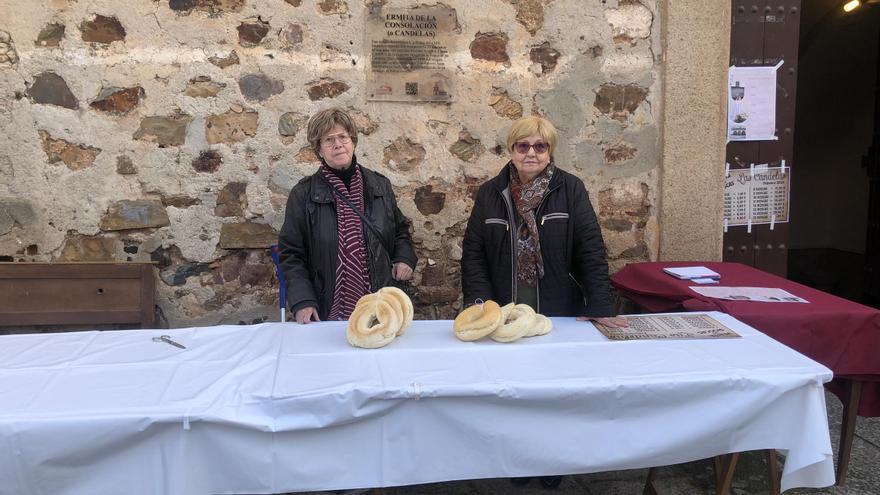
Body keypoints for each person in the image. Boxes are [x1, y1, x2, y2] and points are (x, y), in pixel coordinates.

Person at [461, 115, 628, 325]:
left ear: (550, 152)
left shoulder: (571, 189)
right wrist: (480, 302)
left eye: (540, 146)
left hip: (560, 310)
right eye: (523, 146)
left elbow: (590, 249)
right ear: (512, 150)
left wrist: (600, 305)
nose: (531, 153)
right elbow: (474, 253)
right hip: (502, 310)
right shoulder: (490, 192)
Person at [278, 107, 417, 324]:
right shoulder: (303, 194)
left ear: (352, 141)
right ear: (319, 149)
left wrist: (404, 257)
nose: (338, 144)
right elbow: (291, 253)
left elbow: (400, 231)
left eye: (343, 137)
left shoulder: (380, 186)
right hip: (327, 305)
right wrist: (302, 299)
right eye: (328, 140)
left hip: (380, 301)